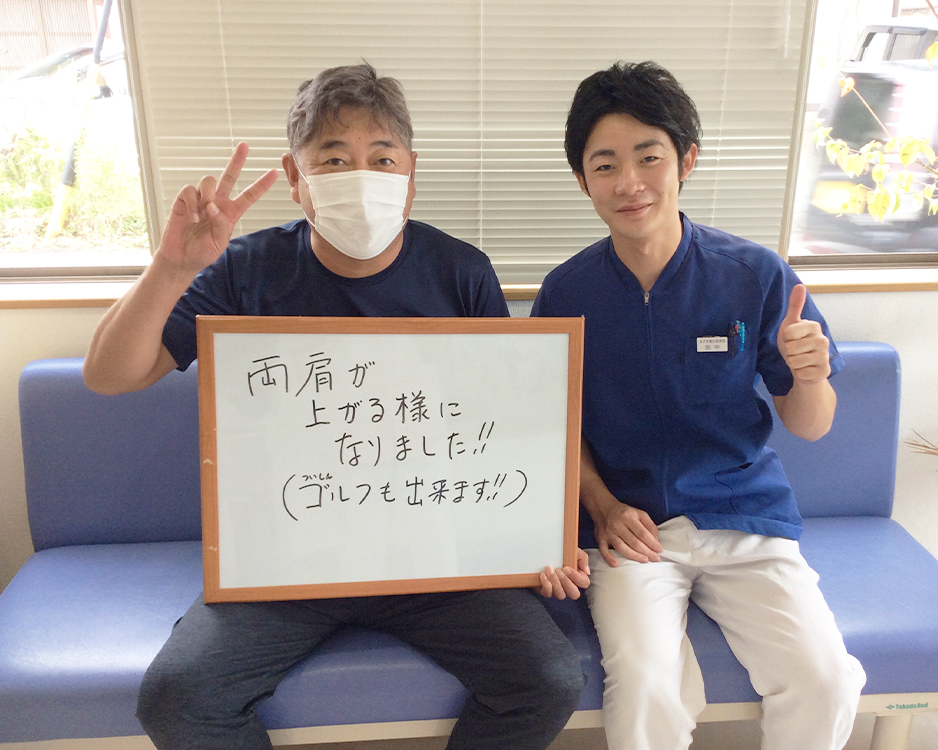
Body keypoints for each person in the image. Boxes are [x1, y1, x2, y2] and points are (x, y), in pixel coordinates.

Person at [83, 63, 588, 750]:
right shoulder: (244, 269)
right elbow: (109, 376)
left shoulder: (461, 271)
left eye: (382, 158)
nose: (362, 177)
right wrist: (172, 270)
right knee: (178, 698)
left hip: (435, 561)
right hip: (286, 562)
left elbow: (495, 429)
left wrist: (539, 541)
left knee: (549, 679)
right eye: (334, 160)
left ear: (411, 173)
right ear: (296, 178)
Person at [531, 61, 867, 750]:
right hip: (631, 532)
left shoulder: (755, 276)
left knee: (827, 680)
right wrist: (602, 505)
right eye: (605, 165)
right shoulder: (567, 293)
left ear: (686, 160)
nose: (629, 182)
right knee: (645, 685)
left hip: (743, 518)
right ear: (583, 181)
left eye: (648, 157)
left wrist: (810, 377)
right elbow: (555, 425)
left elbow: (811, 425)